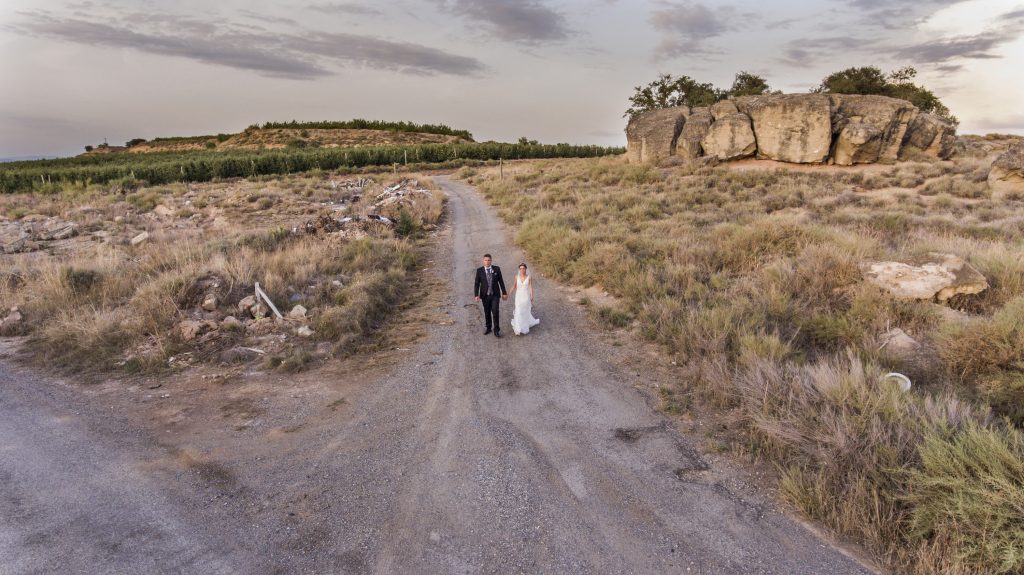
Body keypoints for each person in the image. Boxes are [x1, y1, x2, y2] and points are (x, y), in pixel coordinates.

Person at [474, 253, 507, 337]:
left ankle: (496, 330)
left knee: (495, 311)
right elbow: (477, 283)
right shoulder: (479, 270)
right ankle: (488, 327)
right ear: (483, 261)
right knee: (487, 312)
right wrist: (476, 295)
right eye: (485, 260)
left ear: (491, 261)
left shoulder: (497, 269)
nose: (487, 262)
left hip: (495, 294)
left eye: (489, 260)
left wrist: (504, 293)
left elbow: (501, 281)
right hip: (485, 295)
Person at [510, 263, 540, 335]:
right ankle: (518, 328)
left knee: (524, 311)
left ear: (526, 269)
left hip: (526, 296)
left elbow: (530, 287)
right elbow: (514, 286)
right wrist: (508, 293)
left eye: (523, 268)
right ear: (519, 270)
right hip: (519, 296)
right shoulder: (516, 277)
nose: (522, 270)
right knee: (519, 310)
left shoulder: (529, 277)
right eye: (520, 268)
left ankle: (524, 325)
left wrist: (531, 295)